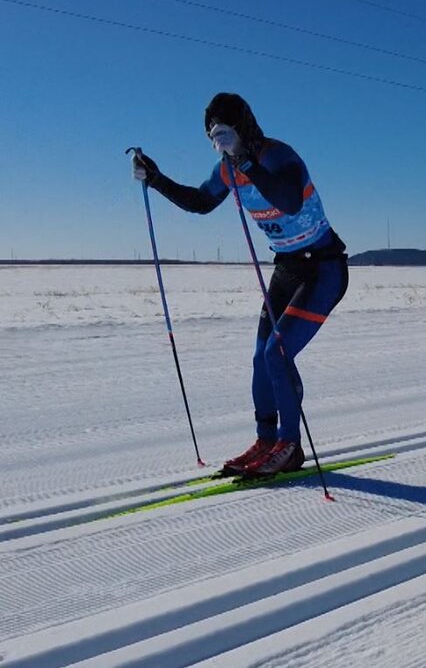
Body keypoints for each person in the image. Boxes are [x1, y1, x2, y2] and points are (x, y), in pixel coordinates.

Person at [131, 93, 349, 477]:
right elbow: (200, 202)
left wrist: (244, 160)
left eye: (226, 133)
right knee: (260, 358)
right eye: (214, 136)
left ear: (243, 128)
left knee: (276, 354)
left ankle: (290, 446)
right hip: (287, 269)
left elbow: (290, 201)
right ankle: (266, 440)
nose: (220, 142)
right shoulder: (227, 170)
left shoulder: (279, 156)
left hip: (324, 269)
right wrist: (157, 179)